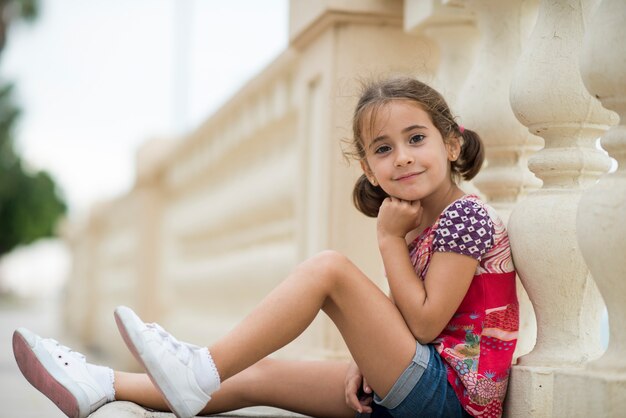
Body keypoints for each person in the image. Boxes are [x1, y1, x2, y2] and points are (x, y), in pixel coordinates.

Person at [13, 76, 518, 418]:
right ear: (368, 169)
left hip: (454, 400)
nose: (402, 158)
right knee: (257, 374)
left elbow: (427, 323)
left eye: (416, 138)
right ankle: (100, 384)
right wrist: (369, 361)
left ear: (451, 144)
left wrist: (387, 239)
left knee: (330, 270)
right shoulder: (419, 225)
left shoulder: (464, 216)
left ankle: (199, 367)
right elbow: (411, 323)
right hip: (424, 381)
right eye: (384, 149)